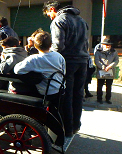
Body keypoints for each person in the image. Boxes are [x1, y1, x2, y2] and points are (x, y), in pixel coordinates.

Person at [43, 1, 89, 137]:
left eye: (48, 14)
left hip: (68, 62)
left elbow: (58, 46)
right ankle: (75, 126)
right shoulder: (81, 20)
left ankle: (67, 129)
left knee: (66, 95)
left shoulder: (59, 20)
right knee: (78, 95)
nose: (50, 17)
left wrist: (47, 55)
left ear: (52, 9)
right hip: (83, 61)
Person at [14, 30, 65, 96]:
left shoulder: (34, 59)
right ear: (51, 44)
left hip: (44, 93)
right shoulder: (59, 56)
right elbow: (63, 72)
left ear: (35, 45)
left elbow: (17, 70)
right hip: (60, 90)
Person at [94, 38, 119, 104]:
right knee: (100, 86)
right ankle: (99, 99)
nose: (108, 46)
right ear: (103, 45)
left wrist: (110, 66)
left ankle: (108, 99)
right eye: (106, 45)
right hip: (101, 71)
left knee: (109, 86)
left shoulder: (114, 52)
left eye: (109, 45)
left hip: (110, 71)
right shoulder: (98, 52)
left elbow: (116, 60)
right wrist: (103, 67)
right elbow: (96, 61)